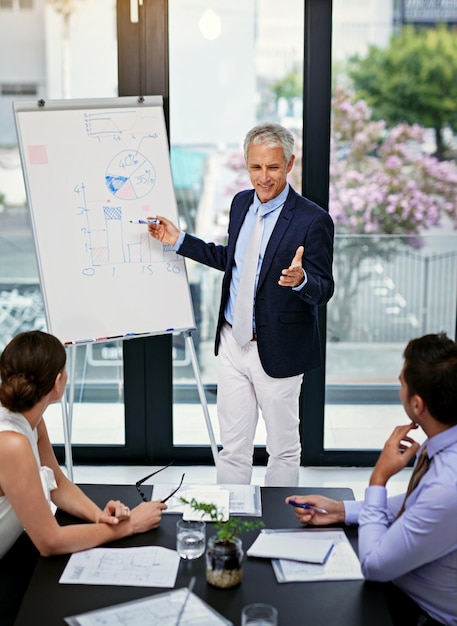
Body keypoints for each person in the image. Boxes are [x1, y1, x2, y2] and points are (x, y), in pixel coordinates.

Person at [148, 122, 334, 486]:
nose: (263, 178)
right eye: (256, 167)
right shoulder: (240, 204)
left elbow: (324, 289)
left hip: (279, 349)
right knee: (232, 448)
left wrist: (302, 281)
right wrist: (179, 240)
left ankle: (278, 529)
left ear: (290, 163)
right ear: (246, 165)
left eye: (273, 168)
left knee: (282, 449)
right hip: (233, 342)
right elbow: (231, 260)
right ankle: (230, 529)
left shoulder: (313, 220)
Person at [286, 332, 457, 626]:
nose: (398, 384)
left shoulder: (448, 485)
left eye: (402, 380)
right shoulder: (445, 441)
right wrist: (341, 510)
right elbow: (418, 503)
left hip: (423, 615)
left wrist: (379, 477)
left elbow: (374, 566)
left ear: (417, 405)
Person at [0, 330, 167, 625]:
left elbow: (58, 485)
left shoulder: (29, 419)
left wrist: (100, 517)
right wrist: (130, 526)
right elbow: (49, 541)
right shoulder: (11, 442)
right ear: (58, 383)